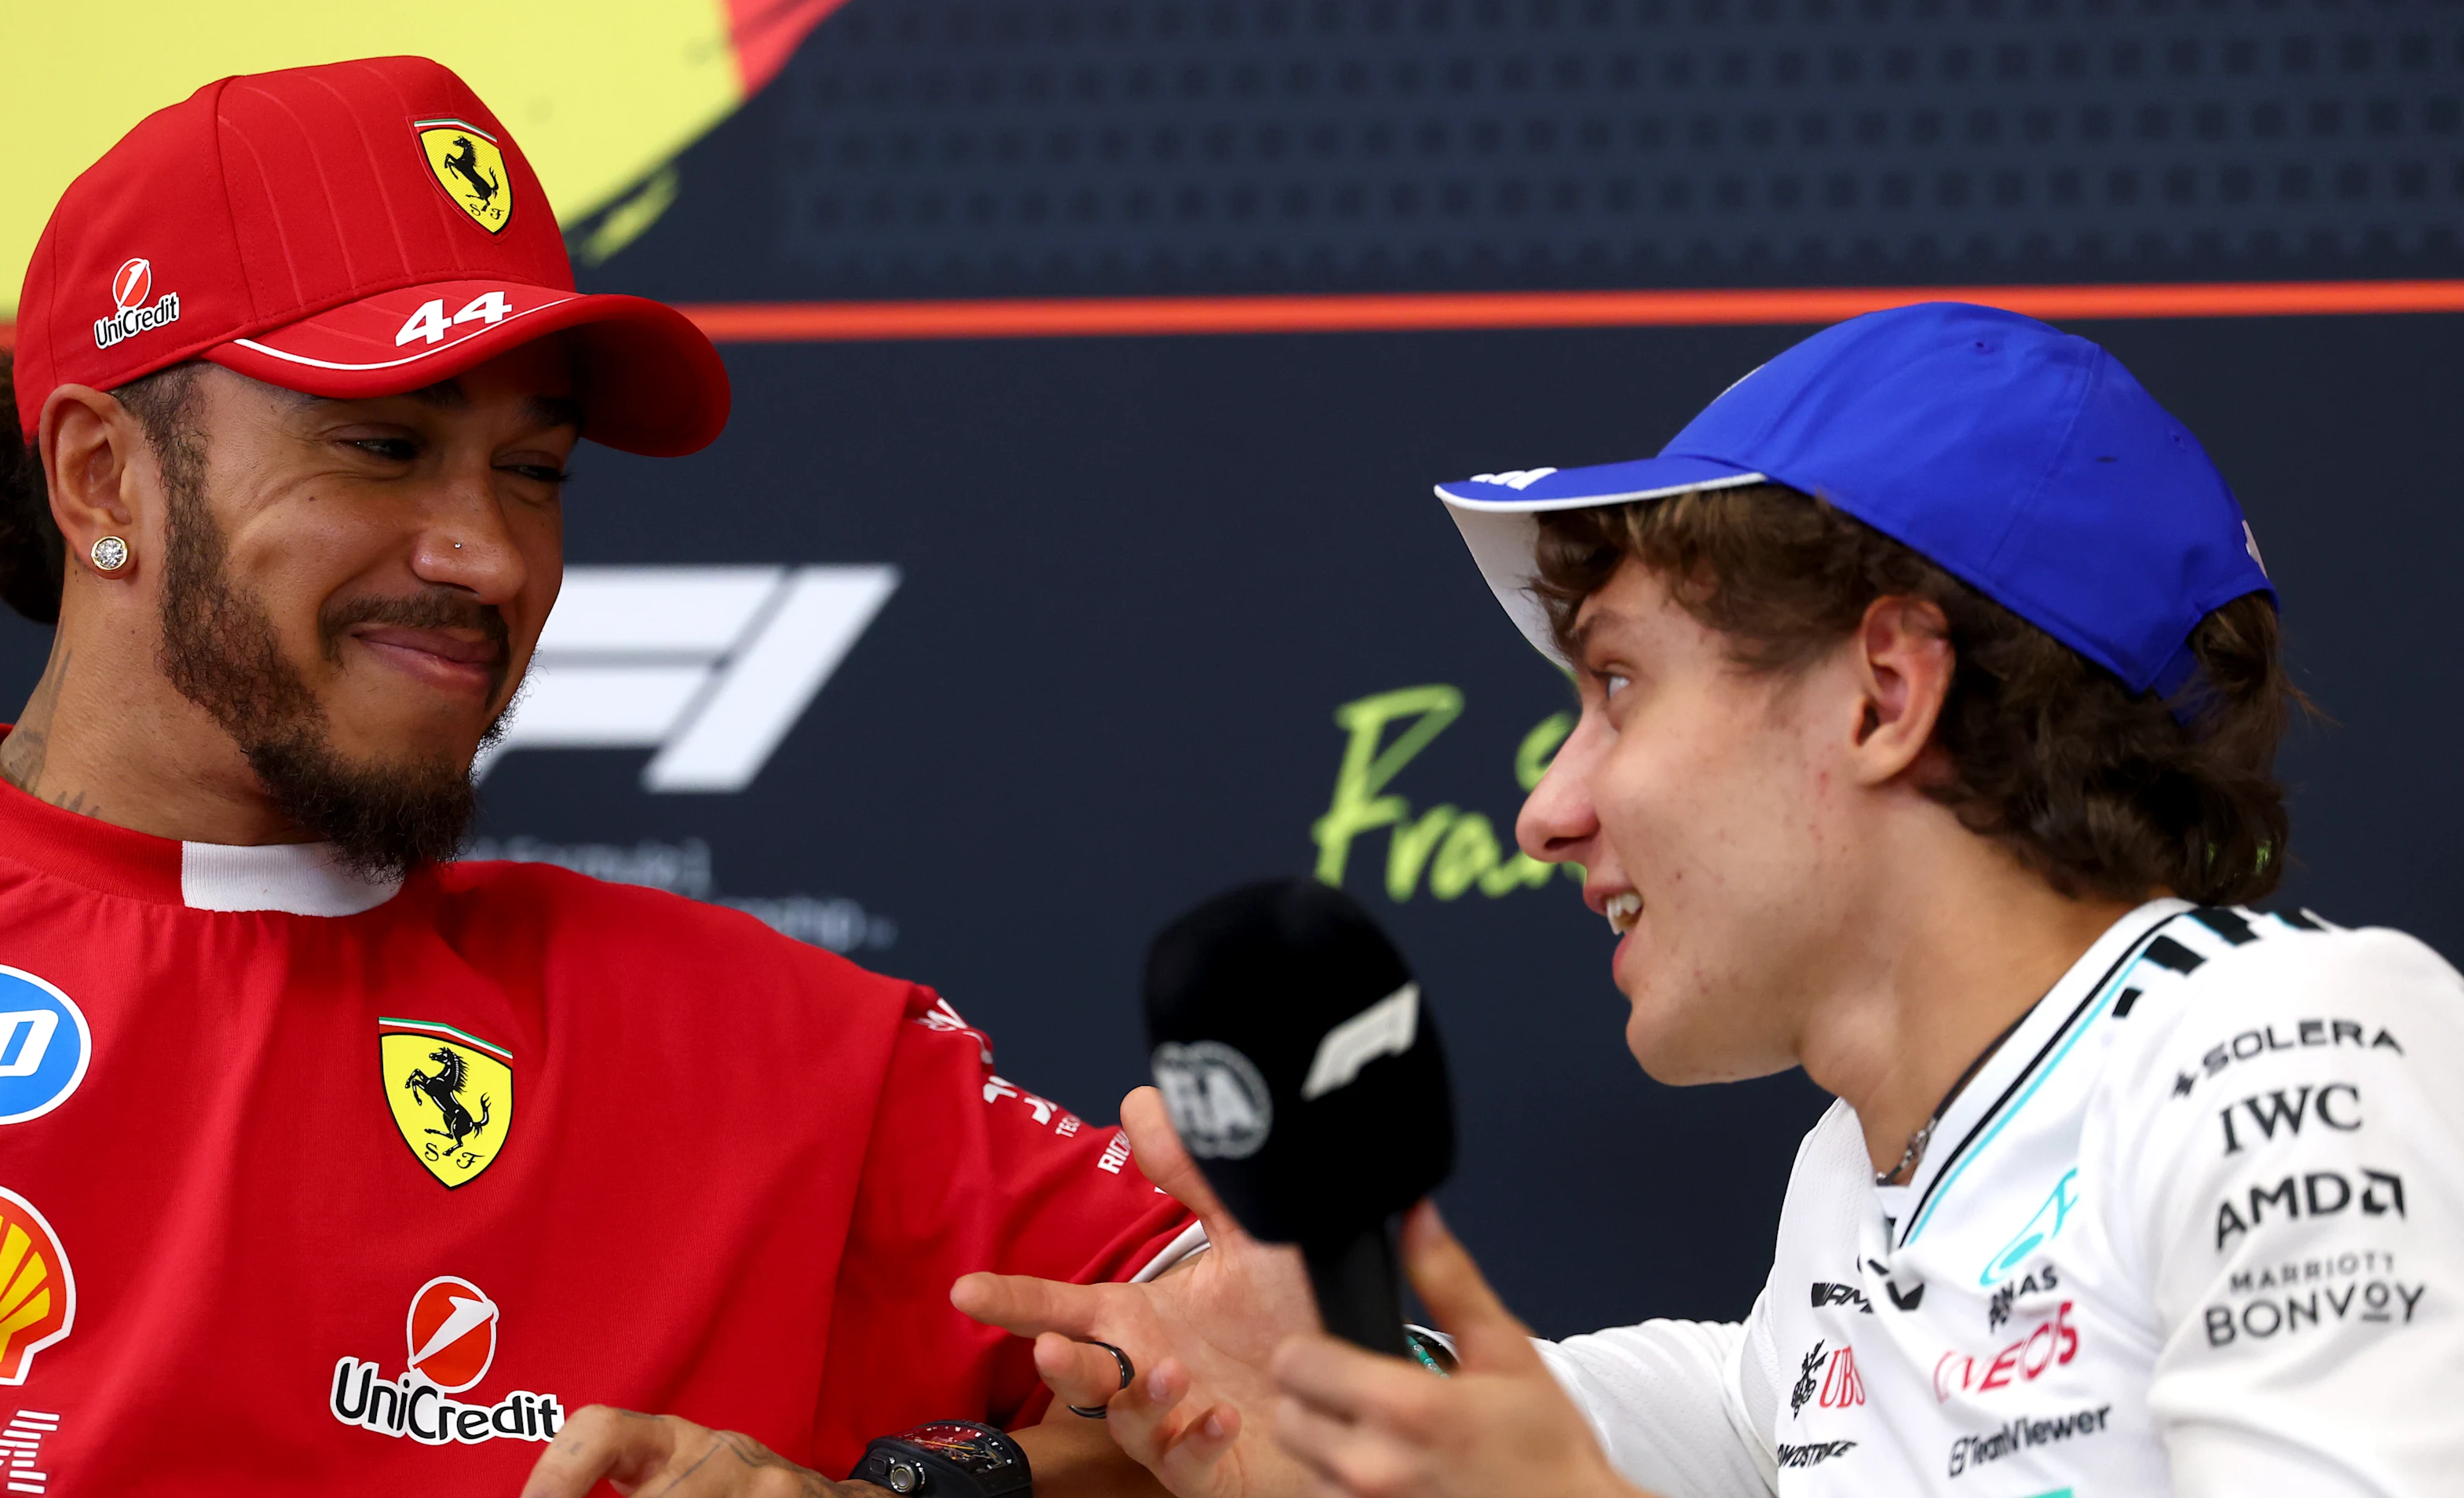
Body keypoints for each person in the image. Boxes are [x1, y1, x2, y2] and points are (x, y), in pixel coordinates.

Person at [0, 57, 1194, 1497]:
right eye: (385, 446)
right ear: (102, 478)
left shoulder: (782, 1050)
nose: (490, 557)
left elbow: (1351, 1399)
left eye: (534, 471)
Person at [954, 303, 2464, 1496]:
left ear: (1883, 693)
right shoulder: (1859, 1191)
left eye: (1617, 684)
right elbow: (1724, 1429)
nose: (1548, 810)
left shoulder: (2298, 1048)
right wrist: (1348, 1374)